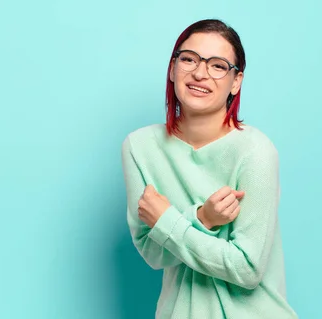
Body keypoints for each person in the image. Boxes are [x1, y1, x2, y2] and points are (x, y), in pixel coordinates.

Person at [121, 18, 298, 319]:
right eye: (188, 59)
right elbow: (152, 254)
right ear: (172, 68)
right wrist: (202, 217)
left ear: (237, 81)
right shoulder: (139, 147)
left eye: (217, 65)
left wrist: (168, 220)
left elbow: (247, 269)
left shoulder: (255, 151)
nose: (200, 73)